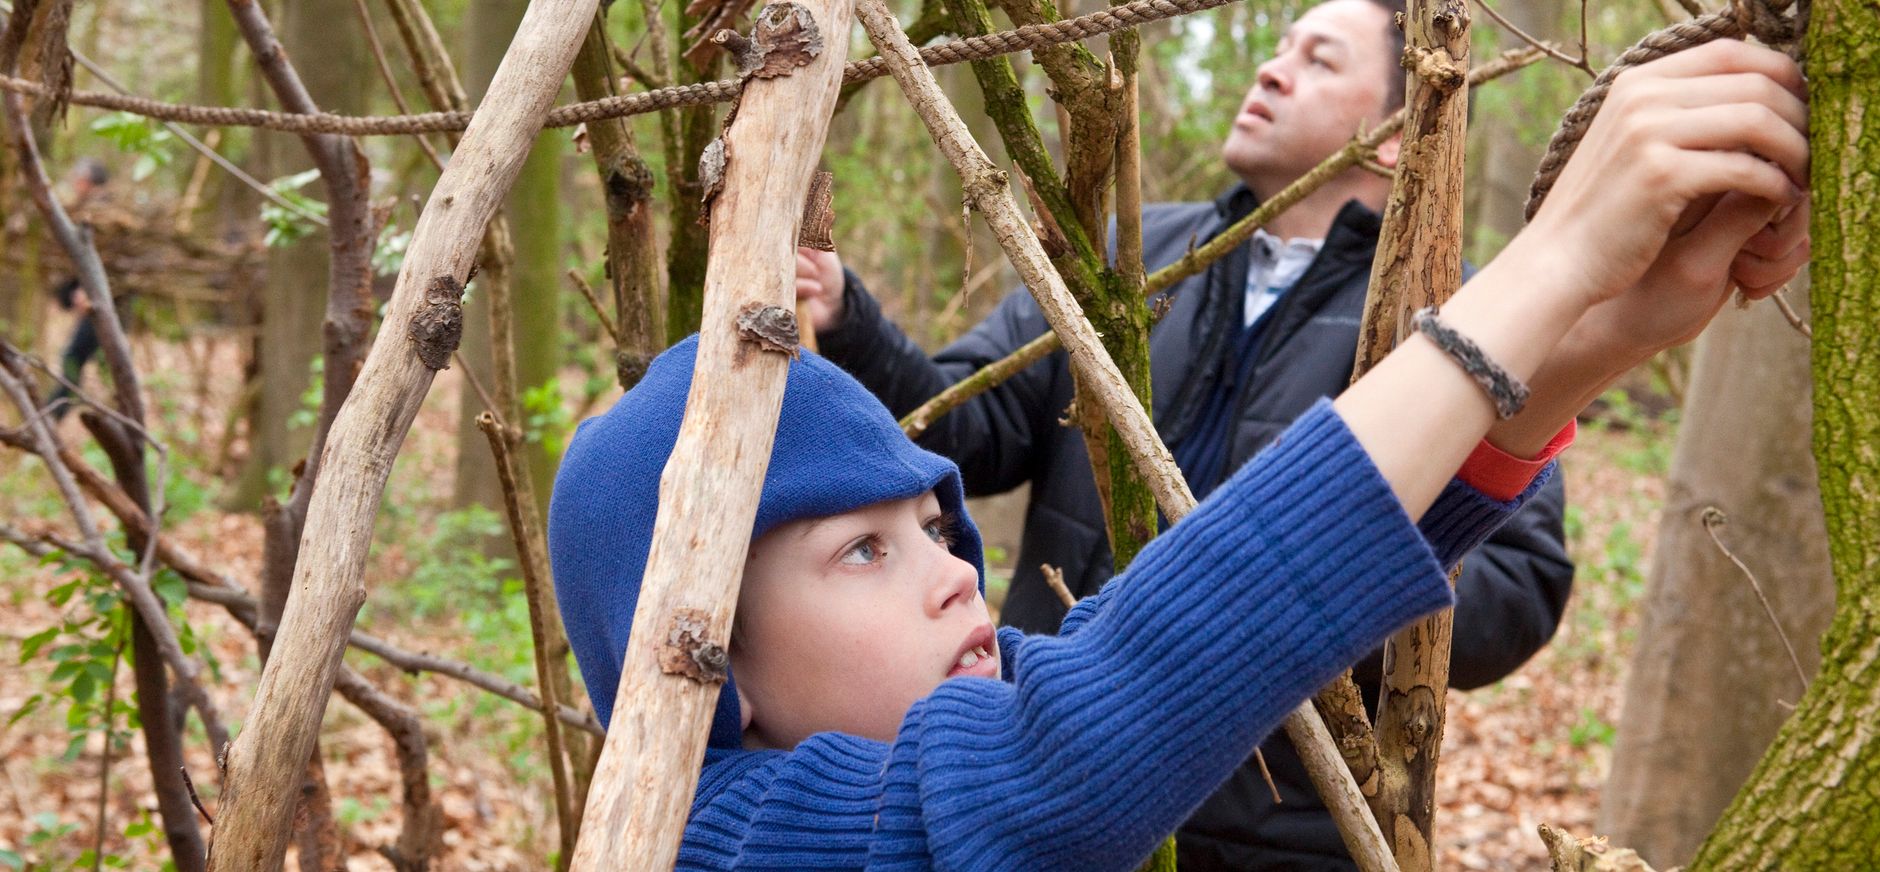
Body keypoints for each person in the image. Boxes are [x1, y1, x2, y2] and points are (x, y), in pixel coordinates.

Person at [548, 40, 1807, 871]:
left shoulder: (889, 741)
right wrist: (1548, 267)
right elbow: (1074, 733)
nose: (953, 572)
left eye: (931, 529)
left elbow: (1177, 637)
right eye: (860, 550)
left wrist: (1585, 342)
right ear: (703, 658)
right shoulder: (726, 834)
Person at [795, 1, 1572, 864]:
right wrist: (848, 318)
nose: (1271, 70)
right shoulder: (1126, 252)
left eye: (1318, 60)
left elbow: (1519, 585)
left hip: (1275, 838)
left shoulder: (1450, 325)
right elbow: (966, 428)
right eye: (1279, 48)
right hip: (1059, 790)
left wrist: (1321, 595)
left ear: (1398, 133)